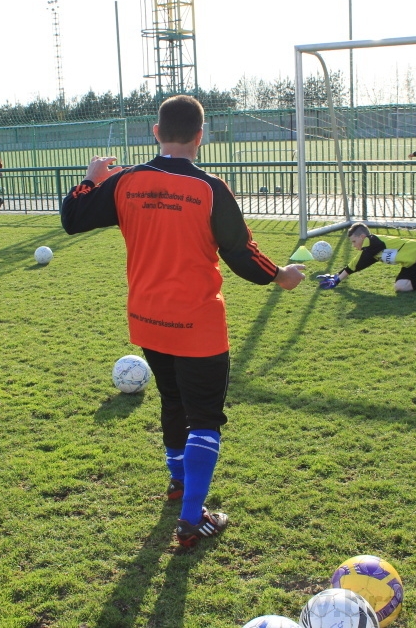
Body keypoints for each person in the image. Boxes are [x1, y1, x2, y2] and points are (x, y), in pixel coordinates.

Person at [60, 95, 306, 548]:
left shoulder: (126, 182)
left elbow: (72, 219)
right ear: (201, 135)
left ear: (156, 132)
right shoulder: (210, 188)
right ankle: (192, 520)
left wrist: (91, 179)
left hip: (148, 320)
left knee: (173, 402)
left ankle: (177, 483)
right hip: (198, 324)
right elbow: (239, 252)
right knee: (206, 418)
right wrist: (281, 276)